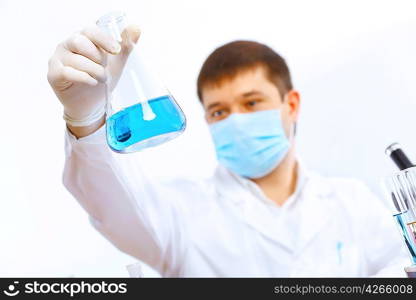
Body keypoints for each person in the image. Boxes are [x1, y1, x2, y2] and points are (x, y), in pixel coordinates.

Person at [47, 23, 408, 277]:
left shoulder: (352, 203)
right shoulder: (180, 214)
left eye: (252, 103)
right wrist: (86, 115)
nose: (235, 120)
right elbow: (109, 201)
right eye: (219, 111)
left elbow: (401, 268)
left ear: (291, 105)